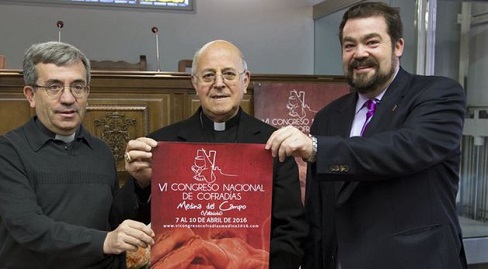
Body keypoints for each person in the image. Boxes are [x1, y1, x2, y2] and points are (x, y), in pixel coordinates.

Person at [266, 2, 468, 269]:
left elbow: (402, 148)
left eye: (371, 42)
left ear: (398, 46)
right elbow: (319, 213)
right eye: (349, 46)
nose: (359, 53)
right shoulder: (328, 117)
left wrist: (316, 148)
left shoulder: (438, 94)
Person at [124, 39, 308, 268]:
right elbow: (127, 223)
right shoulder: (161, 144)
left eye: (229, 74)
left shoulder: (273, 145)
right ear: (194, 82)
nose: (219, 83)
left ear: (245, 80)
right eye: (208, 75)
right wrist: (141, 184)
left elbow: (291, 230)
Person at [0, 41, 154, 269]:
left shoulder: (100, 150)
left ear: (87, 93)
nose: (68, 99)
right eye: (54, 87)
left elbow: (115, 221)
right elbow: (27, 226)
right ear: (31, 95)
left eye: (77, 86)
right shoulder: (8, 150)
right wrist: (104, 241)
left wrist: (142, 184)